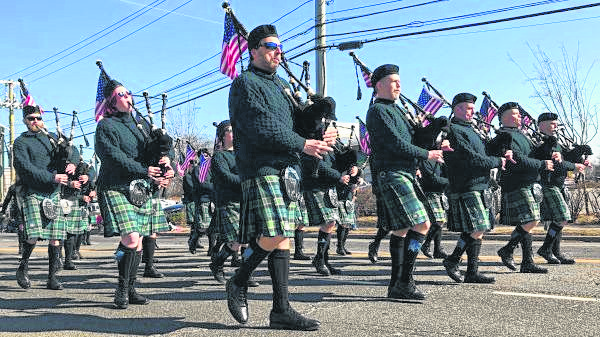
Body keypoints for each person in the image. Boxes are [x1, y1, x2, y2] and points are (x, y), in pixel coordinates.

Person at [226, 24, 336, 330]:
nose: (278, 51)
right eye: (271, 45)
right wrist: (303, 144)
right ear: (253, 50)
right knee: (275, 233)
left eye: (279, 46)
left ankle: (281, 310)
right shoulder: (245, 83)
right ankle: (238, 279)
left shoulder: (280, 86)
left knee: (283, 239)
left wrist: (319, 119)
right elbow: (262, 126)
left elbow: (296, 123)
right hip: (262, 167)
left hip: (287, 169)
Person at [366, 64, 447, 300]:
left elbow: (415, 139)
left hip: (404, 172)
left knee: (401, 229)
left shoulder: (398, 110)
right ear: (379, 84)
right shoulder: (378, 111)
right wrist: (427, 155)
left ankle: (395, 285)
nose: (399, 85)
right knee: (422, 224)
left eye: (399, 81)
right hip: (392, 173)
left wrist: (435, 131)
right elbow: (395, 143)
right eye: (393, 81)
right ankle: (405, 281)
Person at [95, 73, 174, 309]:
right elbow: (111, 156)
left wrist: (166, 161)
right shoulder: (106, 126)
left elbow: (155, 154)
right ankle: (121, 287)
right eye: (121, 94)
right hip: (116, 186)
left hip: (141, 188)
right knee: (130, 238)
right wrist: (144, 170)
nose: (127, 96)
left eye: (128, 92)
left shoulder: (142, 126)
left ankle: (131, 287)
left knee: (137, 242)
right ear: (110, 101)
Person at [442, 93, 514, 283]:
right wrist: (497, 161)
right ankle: (453, 260)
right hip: (467, 184)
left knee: (478, 229)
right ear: (456, 109)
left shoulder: (470, 130)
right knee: (478, 226)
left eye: (473, 108)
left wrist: (499, 143)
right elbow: (472, 159)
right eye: (468, 108)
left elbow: (482, 152)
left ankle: (471, 271)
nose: (472, 112)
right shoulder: (455, 130)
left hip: (479, 184)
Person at [13, 104, 75, 290]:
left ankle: (52, 277)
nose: (35, 121)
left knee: (55, 236)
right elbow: (25, 168)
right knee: (33, 234)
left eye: (38, 118)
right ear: (25, 120)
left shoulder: (52, 138)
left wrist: (72, 162)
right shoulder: (21, 142)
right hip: (33, 191)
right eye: (31, 118)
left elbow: (71, 149)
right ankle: (23, 266)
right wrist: (52, 177)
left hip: (53, 192)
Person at [490, 102, 553, 274]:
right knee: (531, 221)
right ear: (504, 117)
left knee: (528, 223)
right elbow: (517, 159)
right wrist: (542, 164)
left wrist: (548, 148)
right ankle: (508, 249)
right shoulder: (504, 136)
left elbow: (532, 154)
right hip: (516, 183)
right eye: (516, 114)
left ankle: (527, 262)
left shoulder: (522, 135)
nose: (520, 117)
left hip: (529, 183)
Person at [533, 112, 588, 264]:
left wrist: (579, 154)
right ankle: (546, 249)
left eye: (556, 123)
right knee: (562, 218)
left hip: (559, 184)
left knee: (557, 221)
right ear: (541, 125)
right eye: (552, 123)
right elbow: (555, 163)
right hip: (546, 184)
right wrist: (573, 166)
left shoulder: (556, 141)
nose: (556, 126)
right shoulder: (537, 141)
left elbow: (565, 157)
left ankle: (555, 252)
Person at [208, 120, 257, 285]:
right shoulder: (219, 156)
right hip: (229, 202)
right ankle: (217, 263)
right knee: (236, 241)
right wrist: (247, 180)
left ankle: (245, 272)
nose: (234, 132)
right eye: (230, 130)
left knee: (252, 240)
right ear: (222, 136)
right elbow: (226, 177)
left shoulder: (244, 155)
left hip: (247, 201)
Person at [60, 145, 90, 271]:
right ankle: (57, 257)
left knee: (71, 232)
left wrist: (86, 178)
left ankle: (68, 260)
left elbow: (89, 177)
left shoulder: (80, 166)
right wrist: (69, 184)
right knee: (58, 234)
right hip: (58, 199)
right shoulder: (56, 163)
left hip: (72, 201)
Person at [417, 145, 449, 260]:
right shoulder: (425, 160)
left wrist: (444, 163)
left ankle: (437, 249)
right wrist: (451, 182)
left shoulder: (441, 161)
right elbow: (432, 179)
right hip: (429, 192)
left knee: (439, 222)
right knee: (438, 221)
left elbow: (448, 173)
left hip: (440, 193)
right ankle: (426, 245)